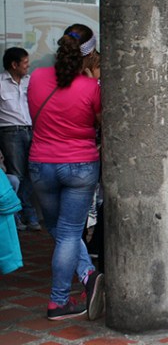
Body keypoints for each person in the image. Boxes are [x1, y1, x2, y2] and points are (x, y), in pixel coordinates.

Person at [27, 23, 104, 321]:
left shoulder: (35, 77)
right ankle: (59, 300)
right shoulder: (91, 87)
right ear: (89, 54)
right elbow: (101, 124)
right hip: (80, 165)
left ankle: (86, 274)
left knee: (59, 230)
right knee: (70, 233)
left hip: (40, 163)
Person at [0, 47, 40, 231]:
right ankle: (16, 215)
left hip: (31, 130)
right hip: (10, 132)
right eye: (25, 62)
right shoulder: (0, 83)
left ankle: (27, 210)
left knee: (32, 172)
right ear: (13, 65)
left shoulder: (30, 82)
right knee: (17, 174)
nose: (28, 65)